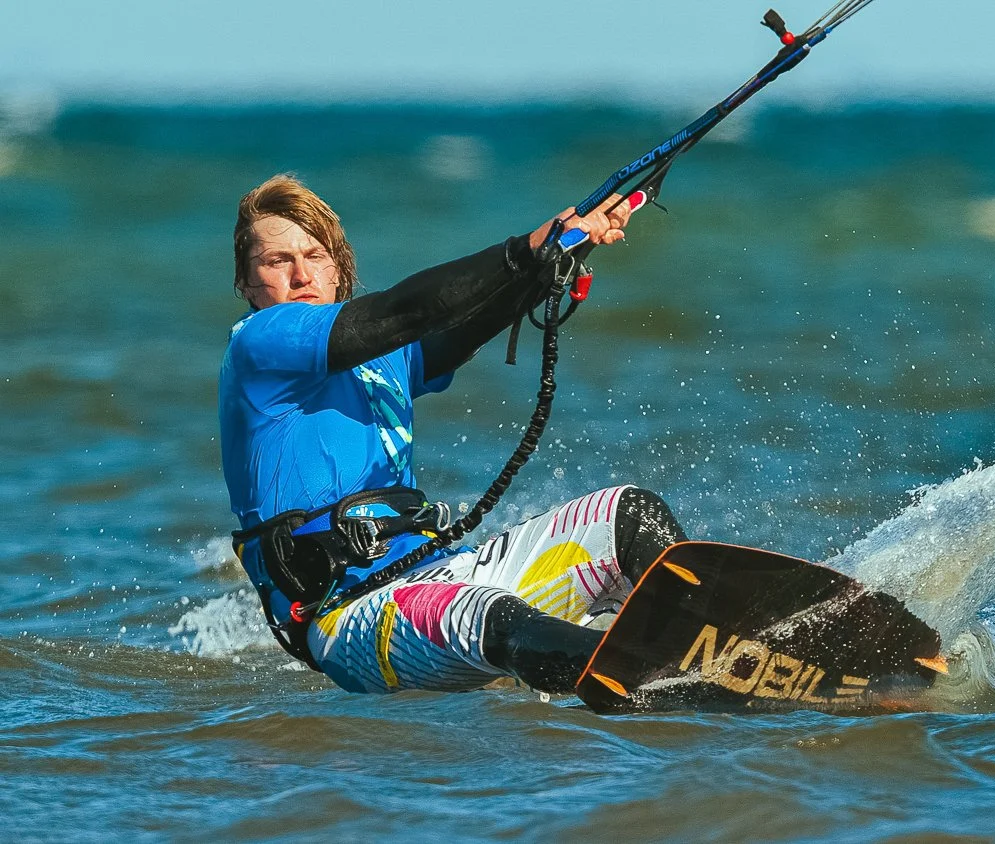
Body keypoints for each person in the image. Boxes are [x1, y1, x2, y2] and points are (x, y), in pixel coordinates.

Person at [220, 174, 688, 694]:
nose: (302, 274)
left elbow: (458, 326)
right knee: (497, 618)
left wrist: (560, 252)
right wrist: (524, 249)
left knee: (630, 515)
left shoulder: (382, 356)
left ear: (338, 266)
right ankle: (664, 692)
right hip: (350, 615)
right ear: (245, 282)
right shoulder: (260, 343)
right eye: (277, 261)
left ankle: (722, 650)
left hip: (444, 572)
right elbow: (403, 312)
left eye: (316, 255)